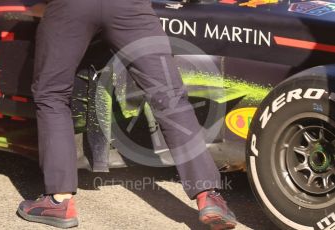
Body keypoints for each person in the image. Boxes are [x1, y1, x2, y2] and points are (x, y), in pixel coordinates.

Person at [17, 0, 237, 229]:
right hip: (129, 7)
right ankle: (208, 195)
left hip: (72, 6)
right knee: (169, 97)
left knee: (52, 95)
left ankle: (58, 201)